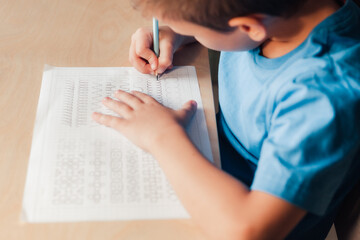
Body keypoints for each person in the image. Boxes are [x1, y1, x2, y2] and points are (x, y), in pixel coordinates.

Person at [92, 0, 360, 239]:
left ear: (248, 27)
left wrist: (161, 137)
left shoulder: (321, 98)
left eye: (196, 29)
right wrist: (176, 31)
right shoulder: (275, 15)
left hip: (238, 214)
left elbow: (246, 230)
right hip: (212, 157)